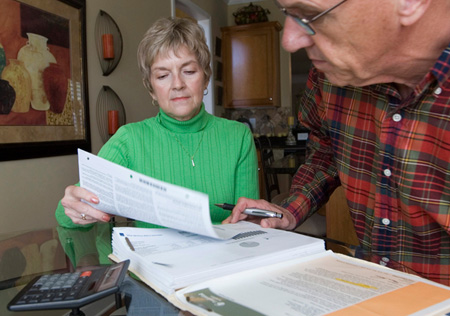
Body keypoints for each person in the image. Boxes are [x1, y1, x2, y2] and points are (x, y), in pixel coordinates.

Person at [225, 0, 450, 286]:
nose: (290, 41)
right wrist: (288, 211)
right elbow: (326, 152)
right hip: (373, 287)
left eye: (309, 14)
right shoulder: (329, 77)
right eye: (288, 14)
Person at [55, 17, 259, 230]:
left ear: (206, 77)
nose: (178, 84)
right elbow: (66, 214)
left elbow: (249, 222)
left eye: (189, 71)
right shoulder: (129, 140)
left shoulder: (238, 137)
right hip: (154, 261)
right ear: (151, 88)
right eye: (163, 75)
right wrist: (72, 208)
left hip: (224, 258)